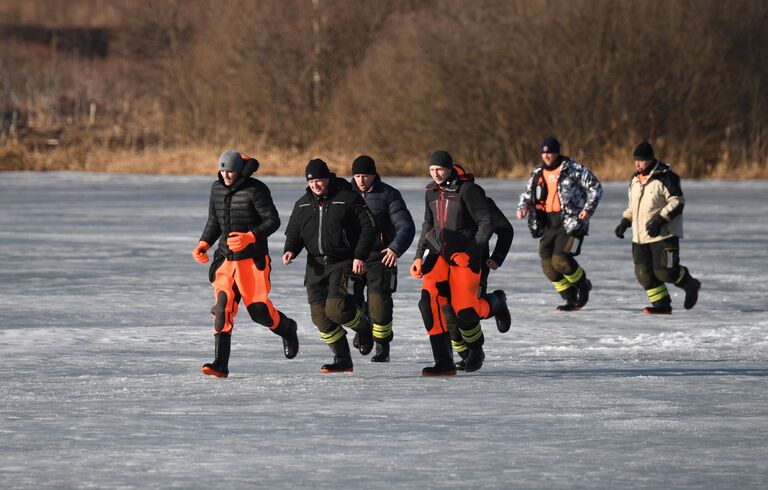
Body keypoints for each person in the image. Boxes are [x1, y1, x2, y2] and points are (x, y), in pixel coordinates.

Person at [192, 150, 299, 378]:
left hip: (252, 260)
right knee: (222, 308)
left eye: (230, 170)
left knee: (259, 312)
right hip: (224, 258)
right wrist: (203, 244)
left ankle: (288, 328)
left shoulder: (256, 189)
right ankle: (220, 364)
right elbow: (214, 220)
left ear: (240, 169)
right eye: (222, 170)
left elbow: (273, 220)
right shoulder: (216, 188)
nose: (226, 175)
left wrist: (250, 236)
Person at [410, 150, 511, 375]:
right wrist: (418, 257)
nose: (435, 174)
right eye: (431, 170)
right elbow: (428, 225)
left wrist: (475, 253)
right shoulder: (431, 192)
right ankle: (444, 362)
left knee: (464, 310)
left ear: (449, 168)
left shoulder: (470, 191)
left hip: (466, 257)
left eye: (439, 169)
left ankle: (495, 306)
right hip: (438, 256)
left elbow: (487, 224)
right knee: (429, 304)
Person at [283, 158, 376, 373]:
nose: (316, 185)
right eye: (312, 181)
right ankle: (343, 359)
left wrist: (360, 256)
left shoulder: (347, 198)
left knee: (337, 309)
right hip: (314, 266)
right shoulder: (303, 203)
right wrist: (290, 249)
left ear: (328, 178)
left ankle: (364, 327)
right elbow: (294, 232)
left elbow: (369, 227)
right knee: (320, 317)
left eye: (320, 180)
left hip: (342, 262)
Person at [516, 137, 602, 311]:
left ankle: (583, 286)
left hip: (571, 222)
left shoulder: (572, 169)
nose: (547, 156)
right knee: (548, 266)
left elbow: (595, 187)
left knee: (561, 260)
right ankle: (570, 298)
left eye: (551, 152)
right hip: (548, 222)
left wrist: (587, 210)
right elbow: (527, 195)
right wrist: (523, 208)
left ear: (558, 152)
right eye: (544, 152)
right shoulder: (538, 172)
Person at [614, 141, 701, 314]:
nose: (638, 164)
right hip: (640, 237)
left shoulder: (666, 177)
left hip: (663, 235)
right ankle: (662, 305)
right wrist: (625, 221)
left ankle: (690, 284)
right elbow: (633, 206)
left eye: (642, 160)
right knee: (643, 273)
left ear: (651, 159)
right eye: (635, 160)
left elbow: (677, 202)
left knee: (666, 272)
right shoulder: (634, 179)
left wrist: (660, 220)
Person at [444, 164, 514, 369]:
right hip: (446, 264)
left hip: (474, 264)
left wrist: (497, 257)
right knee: (447, 309)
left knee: (468, 310)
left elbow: (506, 230)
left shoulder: (480, 201)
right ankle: (464, 352)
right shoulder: (441, 201)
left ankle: (497, 302)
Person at [349, 155, 416, 363]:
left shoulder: (388, 194)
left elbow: (406, 226)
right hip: (352, 257)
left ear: (374, 175)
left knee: (380, 305)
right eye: (358, 176)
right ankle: (363, 331)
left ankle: (382, 345)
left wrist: (395, 248)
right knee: (350, 301)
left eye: (365, 176)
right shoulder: (345, 193)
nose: (361, 180)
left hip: (381, 256)